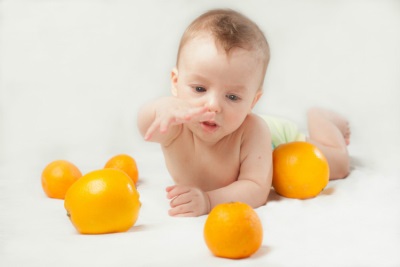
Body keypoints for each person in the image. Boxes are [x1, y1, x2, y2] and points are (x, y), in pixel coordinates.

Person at [137, 9, 350, 217]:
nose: (213, 106)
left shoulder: (253, 130)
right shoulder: (176, 124)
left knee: (338, 166)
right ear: (176, 83)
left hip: (277, 140)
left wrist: (209, 200)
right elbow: (147, 129)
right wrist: (161, 107)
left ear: (253, 101)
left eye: (232, 97)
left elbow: (256, 189)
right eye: (200, 89)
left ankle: (320, 117)